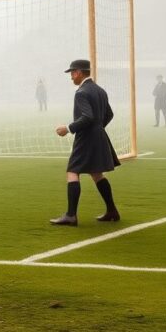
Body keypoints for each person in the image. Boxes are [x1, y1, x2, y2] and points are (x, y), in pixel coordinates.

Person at [51, 59, 121, 226]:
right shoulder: (100, 90)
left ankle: (71, 215)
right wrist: (98, 128)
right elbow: (109, 114)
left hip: (87, 138)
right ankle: (112, 211)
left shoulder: (81, 92)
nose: (71, 77)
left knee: (72, 171)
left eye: (72, 73)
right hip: (99, 136)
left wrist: (68, 128)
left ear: (79, 72)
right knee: (96, 174)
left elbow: (87, 117)